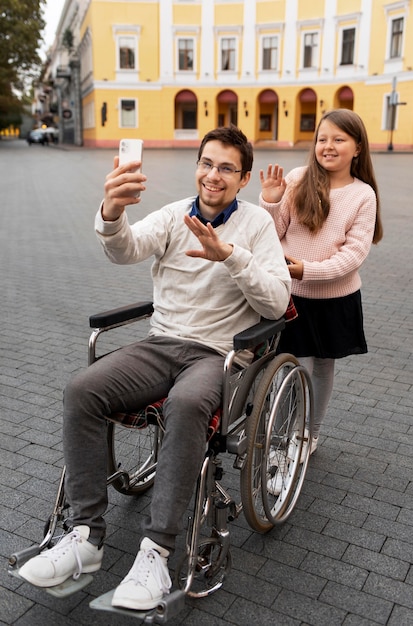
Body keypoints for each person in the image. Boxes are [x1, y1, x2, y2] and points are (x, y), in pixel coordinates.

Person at [19, 126, 291, 611]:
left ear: (243, 177)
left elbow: (277, 301)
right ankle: (85, 535)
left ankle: (156, 550)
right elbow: (123, 249)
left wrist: (230, 257)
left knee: (187, 404)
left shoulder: (256, 226)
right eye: (207, 163)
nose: (214, 175)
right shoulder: (173, 215)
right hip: (162, 343)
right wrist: (112, 212)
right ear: (197, 166)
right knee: (82, 388)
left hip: (216, 353)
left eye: (227, 167)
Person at [259, 109, 383, 490]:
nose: (328, 146)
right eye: (322, 139)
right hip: (289, 293)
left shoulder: (363, 195)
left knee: (323, 366)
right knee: (282, 364)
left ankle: (309, 434)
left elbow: (353, 255)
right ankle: (279, 431)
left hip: (332, 296)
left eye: (339, 139)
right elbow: (274, 231)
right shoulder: (297, 179)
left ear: (357, 147)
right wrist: (269, 201)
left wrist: (305, 270)